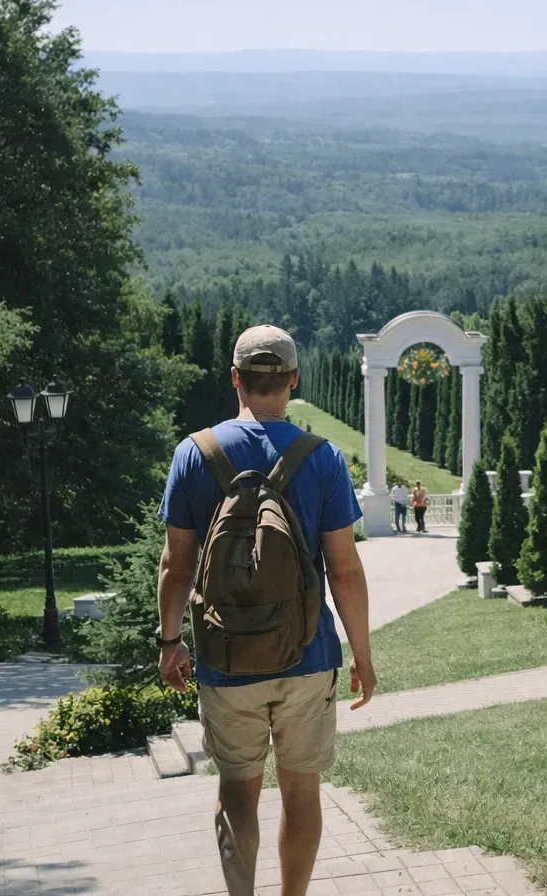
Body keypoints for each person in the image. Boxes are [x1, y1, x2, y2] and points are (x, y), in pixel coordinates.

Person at [157, 324, 377, 896]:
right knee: (301, 793)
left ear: (236, 378)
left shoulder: (194, 453)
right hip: (308, 657)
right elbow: (345, 570)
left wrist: (169, 641)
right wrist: (362, 654)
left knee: (237, 795)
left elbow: (175, 565)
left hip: (226, 658)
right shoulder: (321, 458)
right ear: (293, 380)